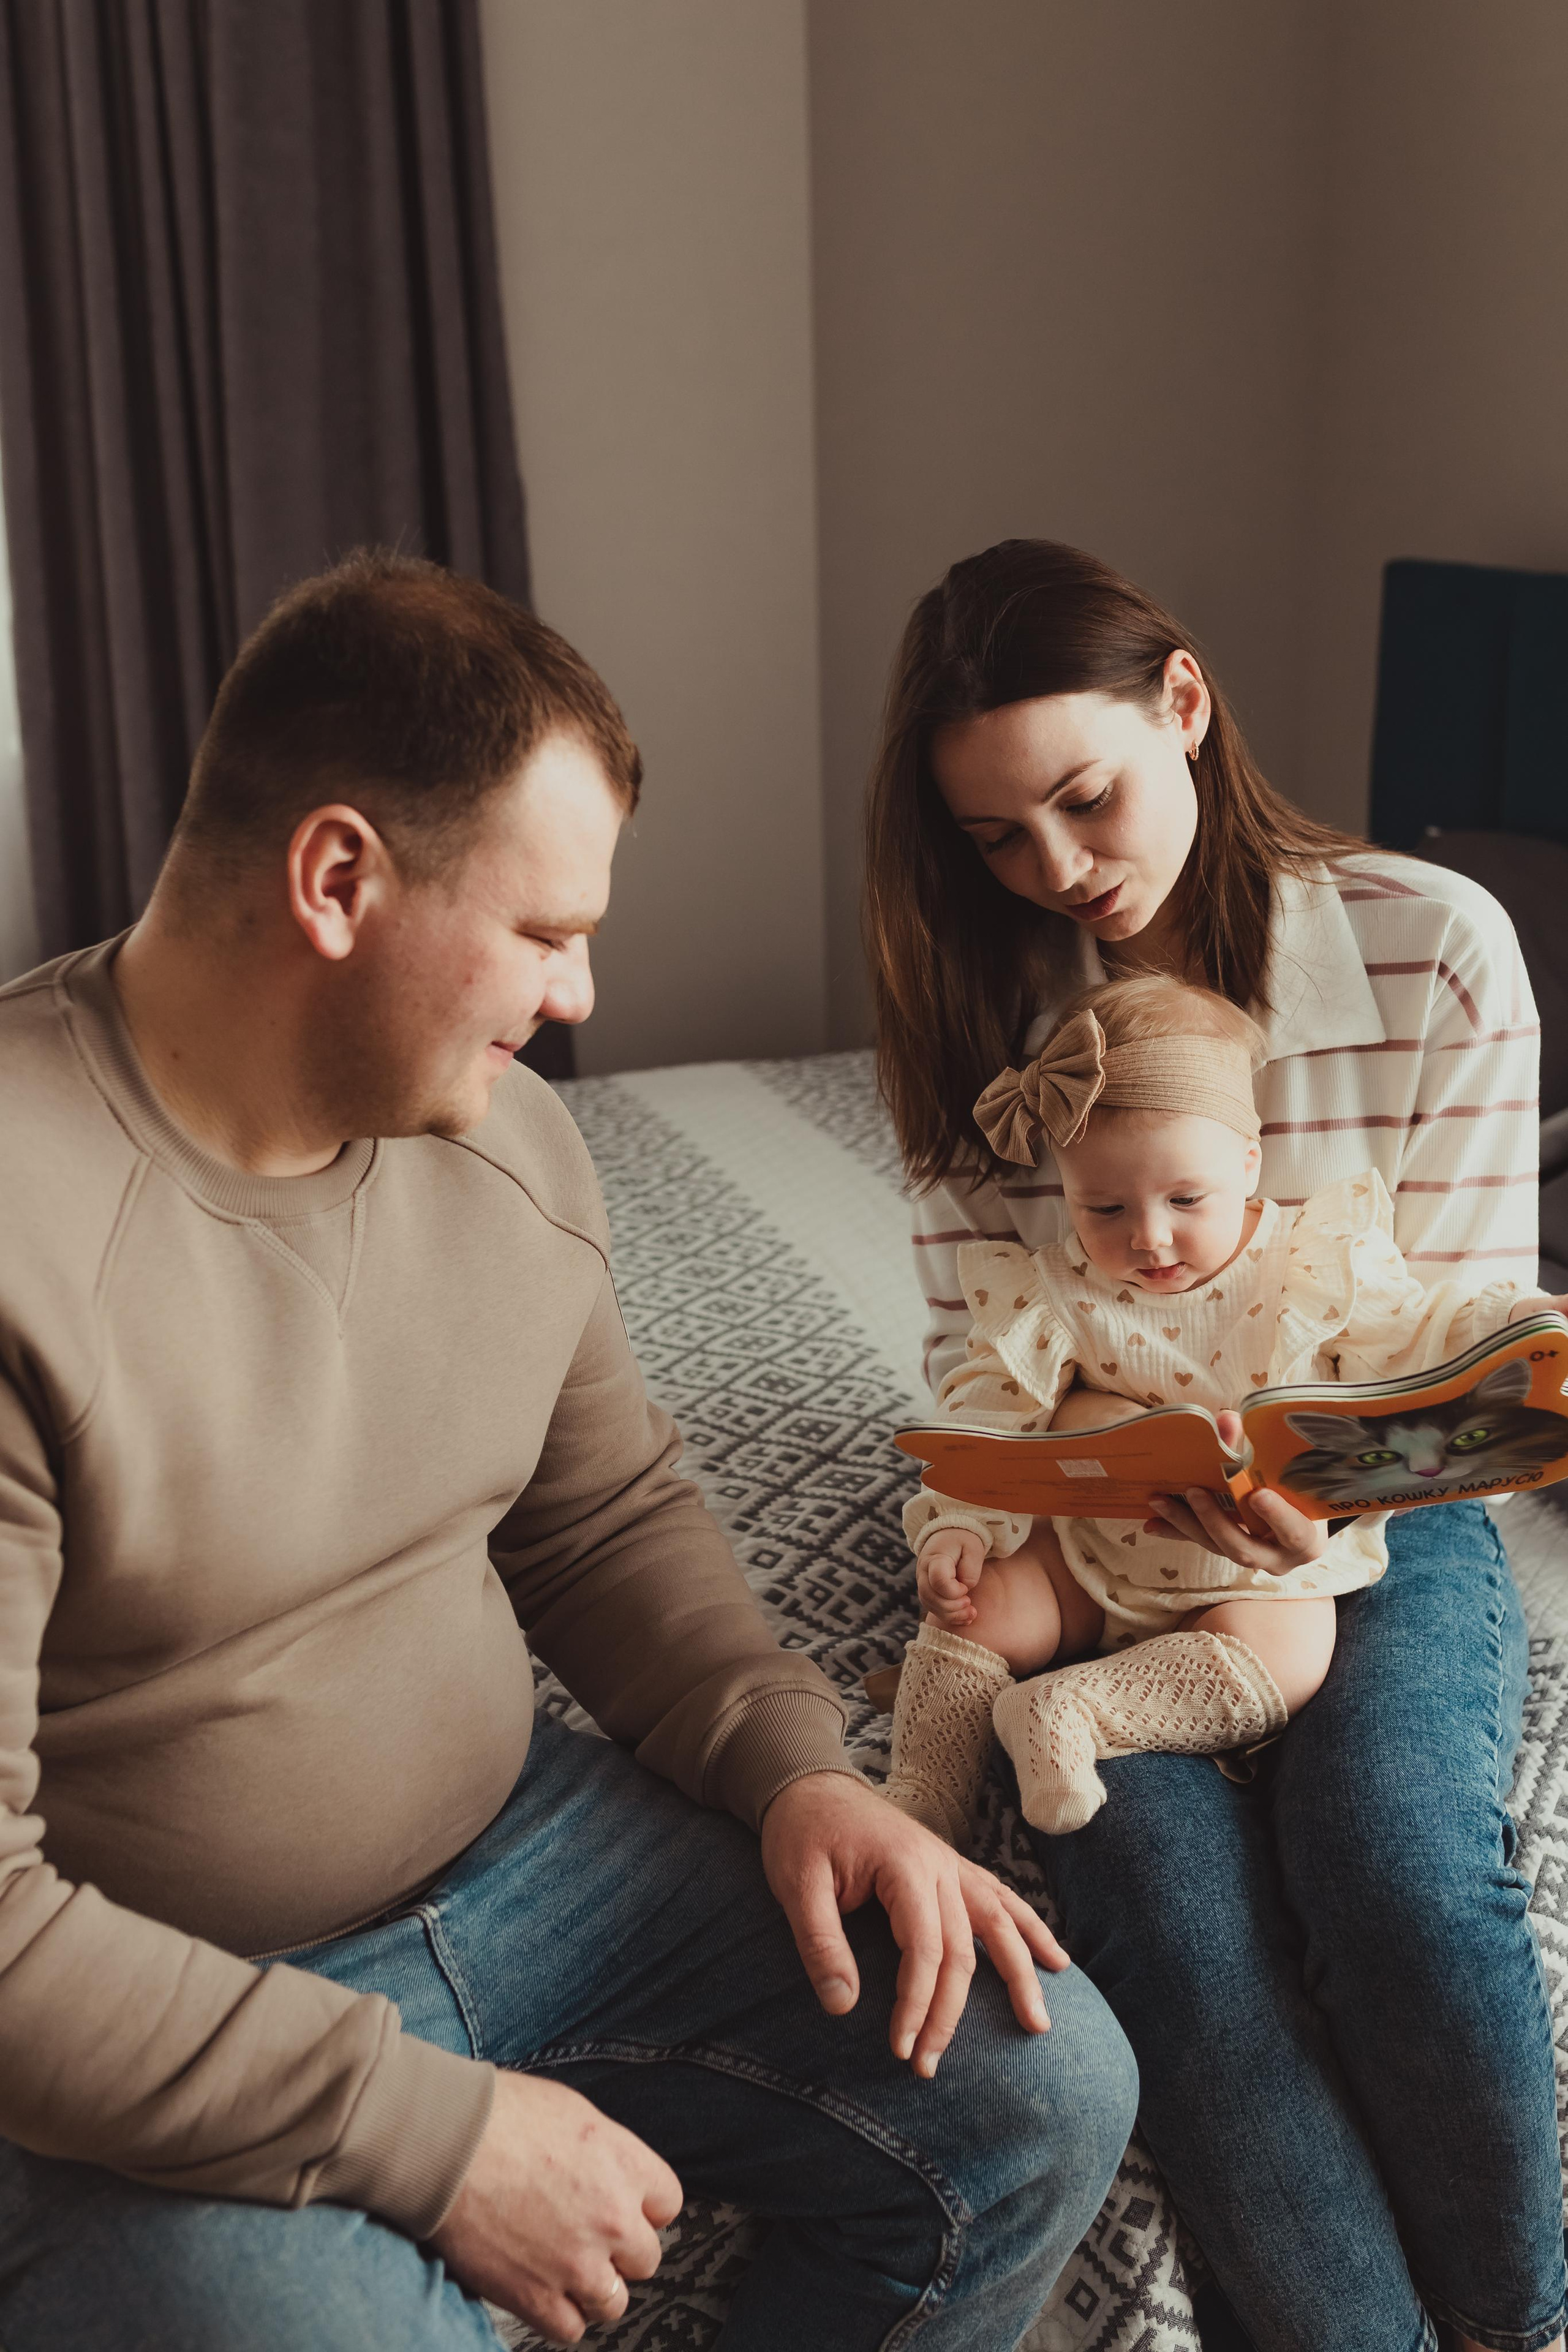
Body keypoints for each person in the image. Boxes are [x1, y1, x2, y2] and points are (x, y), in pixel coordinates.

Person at [0, 552, 1139, 2352]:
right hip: (168, 1996)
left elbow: (605, 1519)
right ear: (339, 879)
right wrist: (433, 2135)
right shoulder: (24, 1228)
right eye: (543, 933)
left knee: (1039, 2084)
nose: (584, 994)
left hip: (533, 1862)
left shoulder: (512, 1147)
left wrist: (799, 1780)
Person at [864, 537, 1566, 2352]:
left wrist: (1313, 1488)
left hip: (1382, 1526)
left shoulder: (1434, 950)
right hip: (1091, 1535)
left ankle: (1515, 2324)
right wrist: (1077, 1473)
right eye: (999, 839)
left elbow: (1471, 1378)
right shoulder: (986, 1010)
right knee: (1172, 1929)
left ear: (1186, 704)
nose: (1058, 871)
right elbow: (973, 1366)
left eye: (1084, 801)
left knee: (1397, 1874)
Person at [885, 972, 1552, 1842]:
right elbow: (984, 1411)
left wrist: (1513, 1316)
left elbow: (1420, 1330)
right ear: (1064, 1191)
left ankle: (1074, 1708)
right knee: (980, 1607)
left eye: (1185, 1200)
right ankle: (920, 1795)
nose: (1148, 1237)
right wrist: (956, 1529)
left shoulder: (1313, 1262)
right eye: (1104, 1208)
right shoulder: (1053, 1294)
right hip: (1093, 1559)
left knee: (1291, 1658)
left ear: (1248, 1162)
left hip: (1258, 1572)